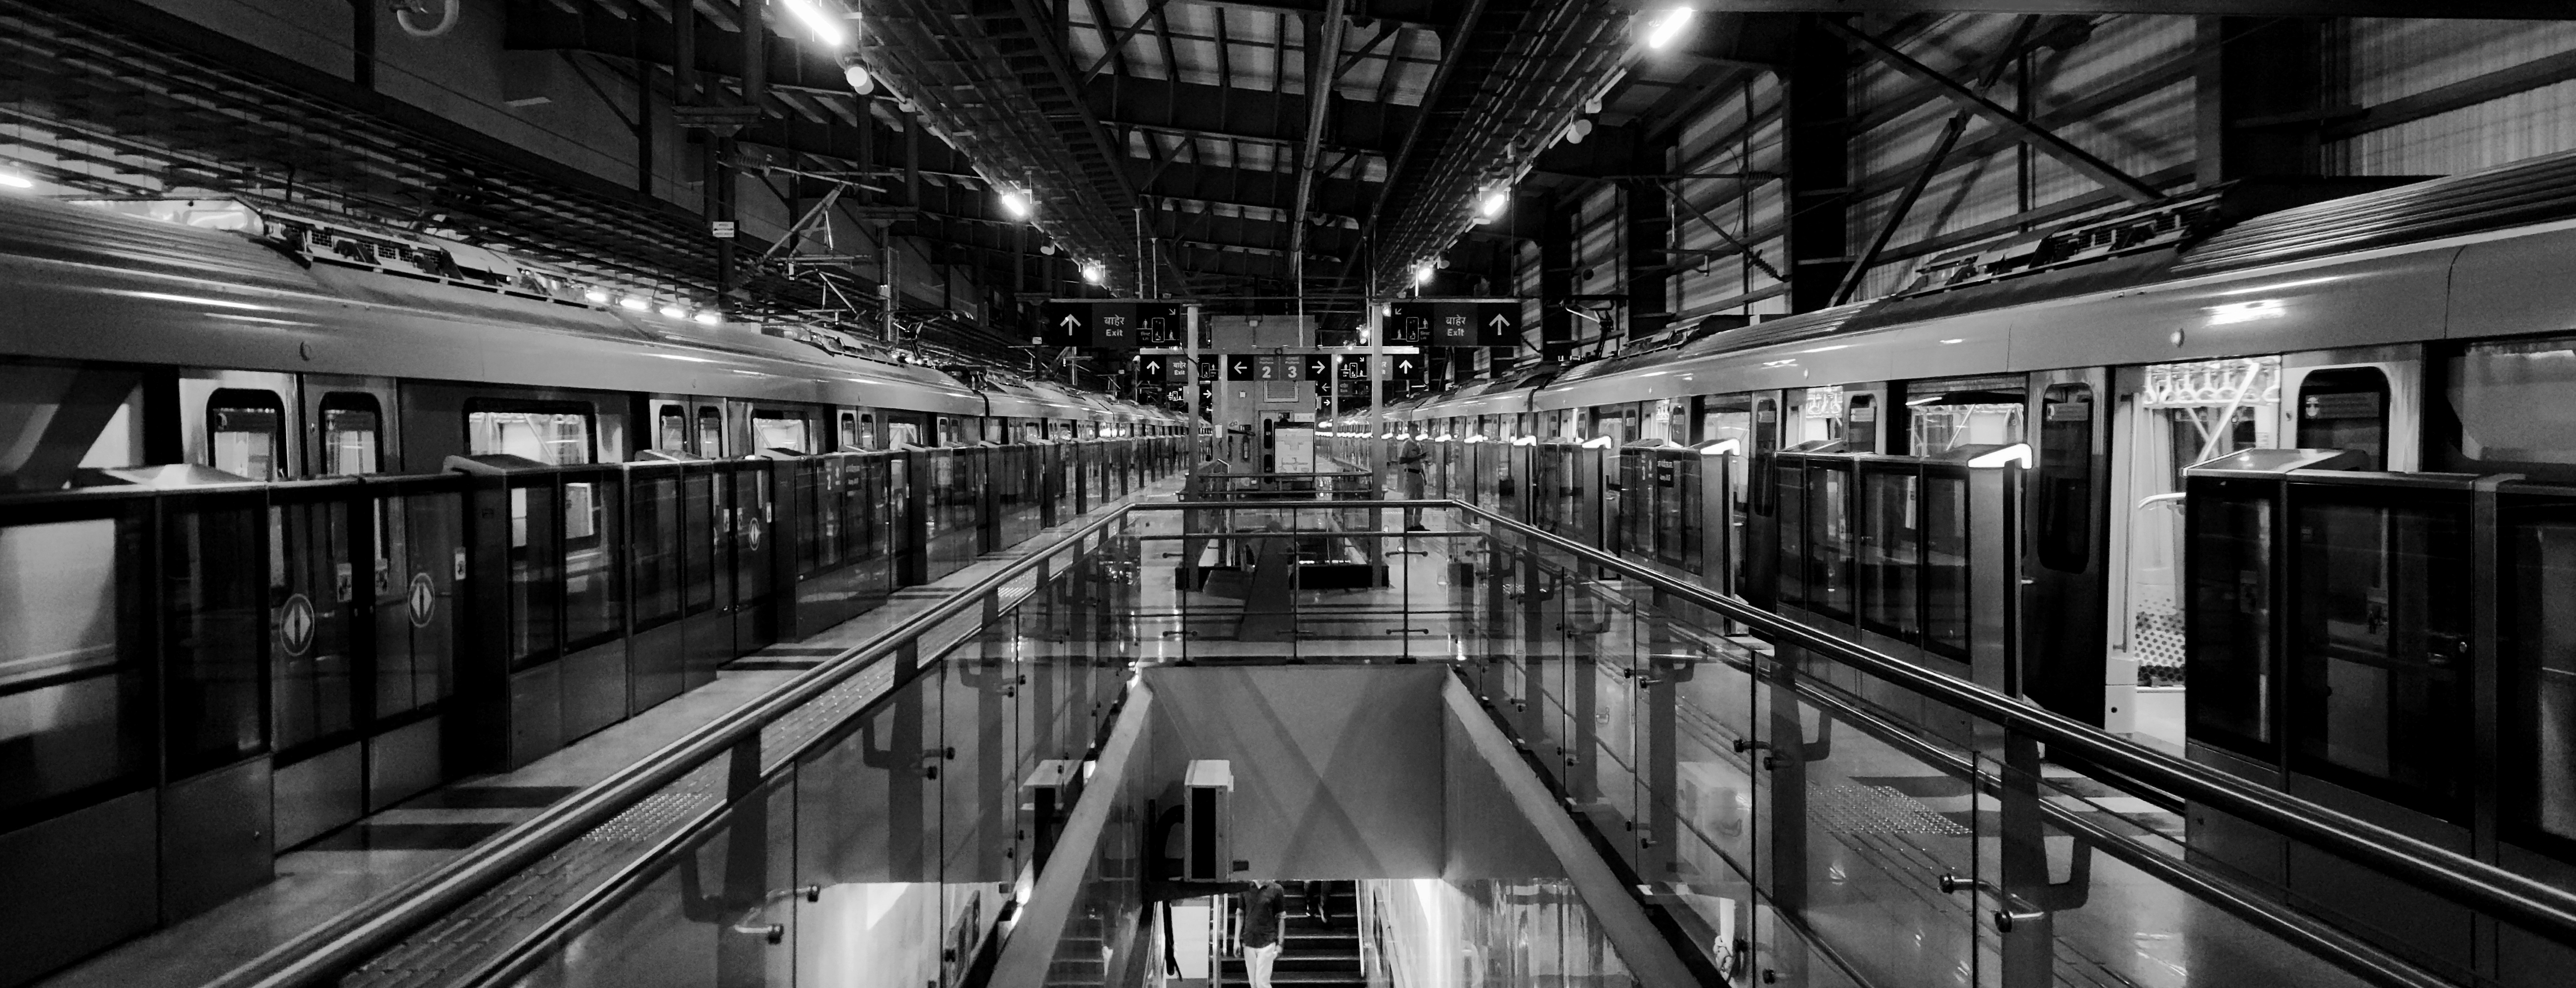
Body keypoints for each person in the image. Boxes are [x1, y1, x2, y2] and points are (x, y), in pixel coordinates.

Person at [1395, 433, 1428, 530]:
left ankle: (1417, 524)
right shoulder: (1407, 444)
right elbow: (1402, 460)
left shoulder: (1418, 444)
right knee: (1411, 499)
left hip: (1419, 475)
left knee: (1420, 500)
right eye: (1414, 430)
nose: (1416, 432)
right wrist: (1417, 458)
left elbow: (1420, 464)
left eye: (1417, 430)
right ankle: (1409, 525)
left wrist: (1424, 477)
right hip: (1411, 474)